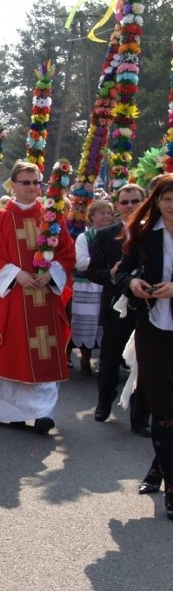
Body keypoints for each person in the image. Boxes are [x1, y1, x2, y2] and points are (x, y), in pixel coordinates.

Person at [0, 161, 76, 434]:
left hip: (44, 298)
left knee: (44, 350)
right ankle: (10, 414)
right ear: (13, 185)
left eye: (36, 182)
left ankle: (43, 413)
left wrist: (52, 272)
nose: (32, 188)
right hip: (13, 299)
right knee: (13, 350)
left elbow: (66, 253)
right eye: (25, 182)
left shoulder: (52, 217)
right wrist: (15, 274)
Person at [115, 173, 173, 521]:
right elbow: (122, 274)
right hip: (152, 328)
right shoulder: (141, 233)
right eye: (167, 198)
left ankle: (157, 468)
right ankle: (171, 490)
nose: (172, 205)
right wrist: (133, 281)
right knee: (163, 408)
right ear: (157, 201)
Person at [87, 185, 151, 435]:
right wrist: (112, 274)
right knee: (110, 360)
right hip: (116, 308)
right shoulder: (105, 236)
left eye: (135, 201)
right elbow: (92, 272)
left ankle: (140, 417)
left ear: (145, 202)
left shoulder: (153, 233)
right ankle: (104, 404)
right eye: (124, 202)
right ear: (117, 205)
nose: (130, 206)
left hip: (147, 307)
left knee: (144, 363)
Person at [72, 199, 113, 376]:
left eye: (109, 213)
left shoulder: (115, 235)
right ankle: (85, 359)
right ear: (92, 216)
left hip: (106, 285)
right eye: (102, 212)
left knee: (106, 324)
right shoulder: (84, 237)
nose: (106, 216)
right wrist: (105, 266)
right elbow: (80, 263)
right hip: (86, 286)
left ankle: (106, 363)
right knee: (85, 324)